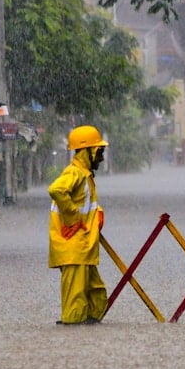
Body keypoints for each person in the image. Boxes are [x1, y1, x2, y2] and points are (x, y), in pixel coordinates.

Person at [47, 125, 108, 325]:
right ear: (87, 151)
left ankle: (89, 323)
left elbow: (87, 204)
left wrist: (97, 215)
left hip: (84, 246)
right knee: (75, 302)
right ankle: (73, 328)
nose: (101, 158)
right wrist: (74, 218)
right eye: (99, 152)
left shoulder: (85, 176)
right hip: (73, 246)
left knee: (96, 291)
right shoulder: (75, 173)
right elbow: (56, 190)